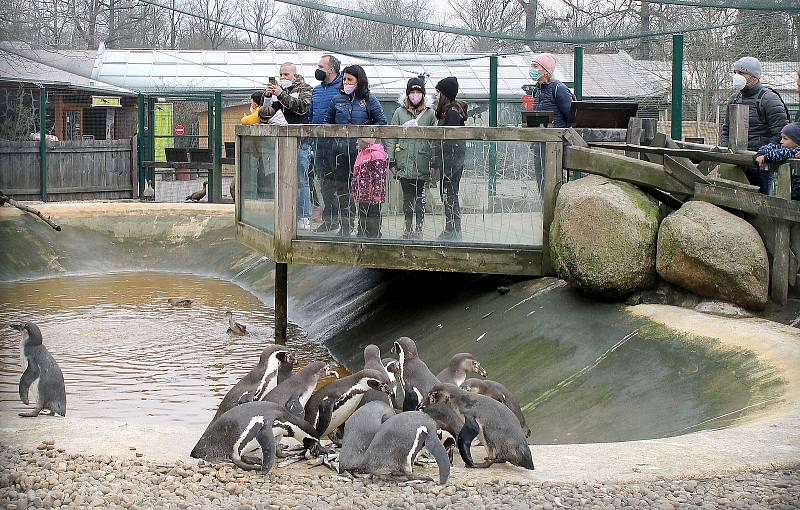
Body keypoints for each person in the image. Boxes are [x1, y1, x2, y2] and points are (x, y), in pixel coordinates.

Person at [325, 64, 387, 237]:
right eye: (344, 79)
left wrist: (366, 136)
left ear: (358, 81)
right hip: (339, 152)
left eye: (349, 79)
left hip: (363, 155)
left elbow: (381, 122)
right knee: (342, 190)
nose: (346, 82)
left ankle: (366, 229)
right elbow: (327, 122)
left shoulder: (369, 100)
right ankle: (345, 226)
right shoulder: (336, 100)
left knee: (365, 191)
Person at [720, 56, 789, 194]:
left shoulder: (769, 99)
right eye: (735, 73)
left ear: (753, 76)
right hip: (735, 162)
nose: (736, 76)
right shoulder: (734, 98)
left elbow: (780, 134)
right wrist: (724, 154)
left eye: (741, 73)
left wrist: (764, 155)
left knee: (760, 204)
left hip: (759, 165)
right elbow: (726, 129)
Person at [258, 62, 313, 230]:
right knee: (282, 180)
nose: (283, 78)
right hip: (281, 142)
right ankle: (285, 213)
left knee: (301, 180)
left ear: (295, 75)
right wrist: (267, 97)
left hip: (301, 143)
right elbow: (266, 114)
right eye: (281, 75)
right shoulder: (279, 91)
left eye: (286, 75)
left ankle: (304, 216)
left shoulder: (305, 89)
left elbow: (301, 109)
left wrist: (281, 94)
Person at [386, 77, 437, 239]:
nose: (415, 95)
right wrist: (391, 160)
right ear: (407, 94)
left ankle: (419, 229)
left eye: (418, 92)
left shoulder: (430, 114)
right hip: (404, 163)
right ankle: (407, 228)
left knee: (420, 200)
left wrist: (433, 162)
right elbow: (392, 136)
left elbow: (434, 139)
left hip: (422, 162)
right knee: (407, 200)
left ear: (423, 94)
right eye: (412, 92)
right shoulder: (399, 112)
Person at [310, 55, 344, 233]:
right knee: (324, 183)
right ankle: (329, 220)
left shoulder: (342, 88)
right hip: (318, 142)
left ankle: (344, 221)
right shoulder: (316, 90)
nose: (318, 69)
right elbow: (311, 115)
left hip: (336, 144)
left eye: (321, 66)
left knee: (340, 183)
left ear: (331, 69)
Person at [431, 76, 467, 241]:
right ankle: (451, 228)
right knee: (447, 195)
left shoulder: (452, 112)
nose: (436, 95)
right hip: (449, 160)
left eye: (438, 92)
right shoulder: (447, 111)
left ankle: (453, 230)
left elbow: (450, 139)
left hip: (452, 161)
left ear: (444, 93)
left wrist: (442, 161)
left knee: (449, 195)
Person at [352, 137, 389, 237]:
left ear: (366, 141)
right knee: (362, 213)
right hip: (362, 193)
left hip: (373, 194)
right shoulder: (361, 153)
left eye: (359, 140)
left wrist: (377, 193)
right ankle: (361, 233)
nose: (356, 142)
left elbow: (379, 176)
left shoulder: (377, 154)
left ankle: (374, 235)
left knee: (373, 214)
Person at [755, 122, 800, 200]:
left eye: (785, 138)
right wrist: (761, 153)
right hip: (791, 192)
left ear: (797, 142)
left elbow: (780, 153)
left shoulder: (796, 151)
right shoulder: (784, 147)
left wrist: (765, 157)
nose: (781, 141)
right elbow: (771, 146)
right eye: (781, 138)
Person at [530, 53, 573, 128]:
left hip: (558, 136)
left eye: (535, 66)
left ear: (546, 70)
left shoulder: (559, 89)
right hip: (542, 135)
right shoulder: (536, 90)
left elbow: (571, 116)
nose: (532, 69)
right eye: (532, 66)